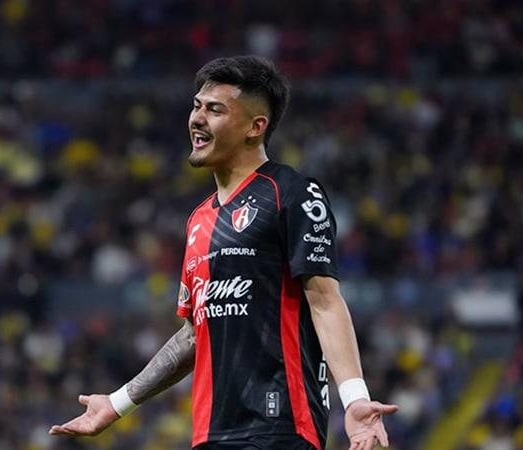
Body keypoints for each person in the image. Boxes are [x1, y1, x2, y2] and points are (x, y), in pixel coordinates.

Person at [50, 56, 397, 450]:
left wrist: (354, 398)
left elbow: (325, 300)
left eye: (215, 110)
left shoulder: (292, 193)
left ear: (255, 126)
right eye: (196, 106)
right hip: (211, 434)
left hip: (280, 426)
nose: (197, 119)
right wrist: (117, 403)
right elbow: (193, 334)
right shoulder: (198, 219)